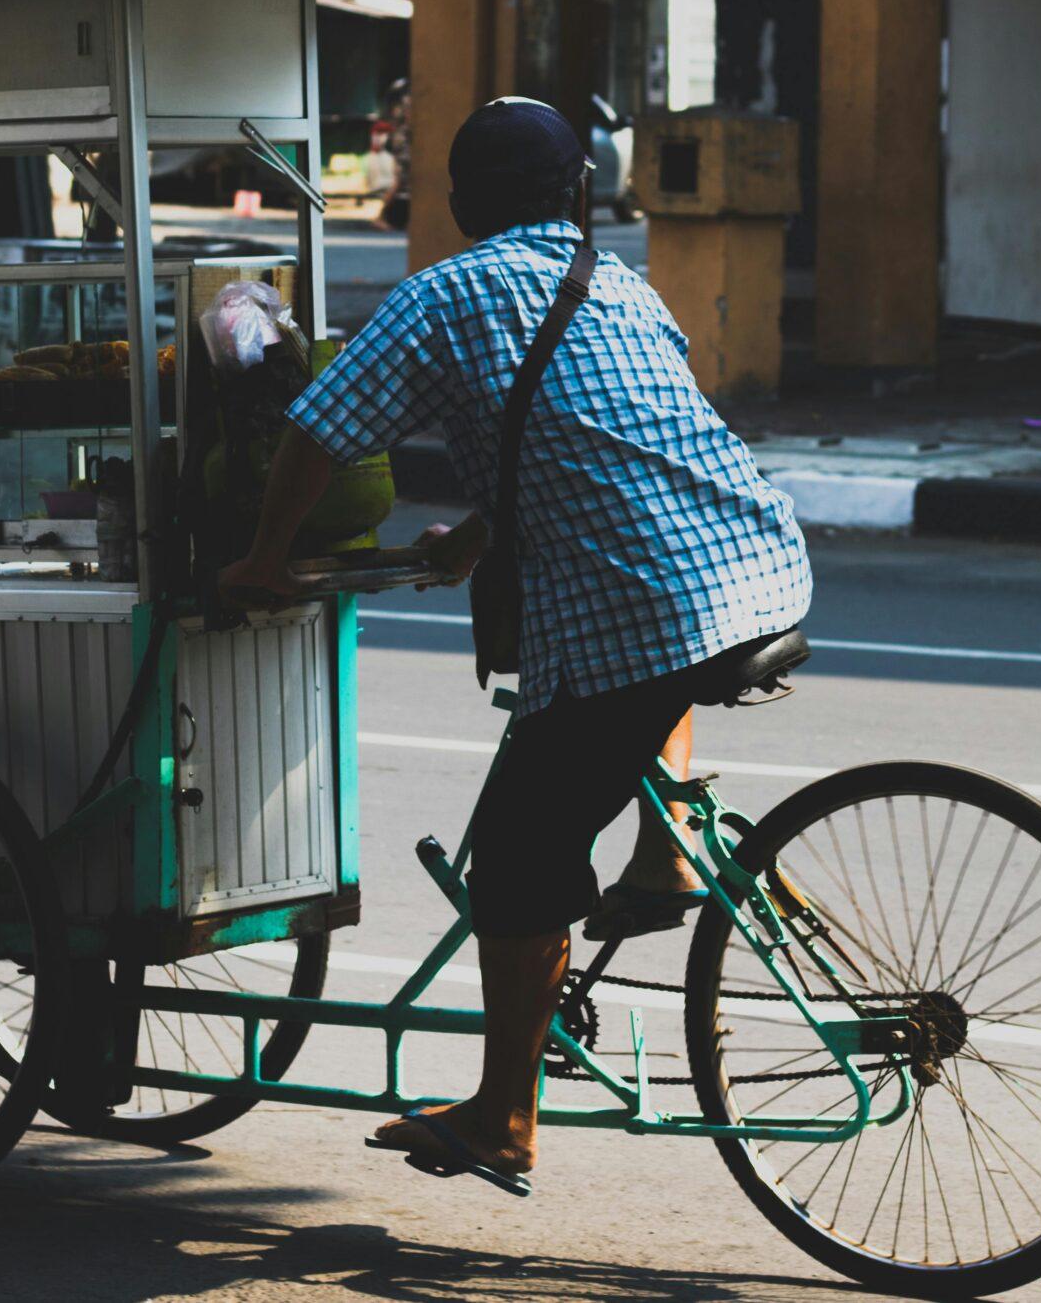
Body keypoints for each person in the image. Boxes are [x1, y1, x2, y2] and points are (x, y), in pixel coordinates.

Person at [217, 96, 812, 1195]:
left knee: (520, 863)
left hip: (646, 602)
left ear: (455, 205)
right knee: (639, 653)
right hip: (757, 561)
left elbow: (316, 427)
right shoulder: (623, 282)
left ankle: (503, 1115)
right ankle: (665, 848)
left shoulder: (443, 292)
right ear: (580, 194)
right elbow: (597, 435)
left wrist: (262, 560)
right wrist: (479, 536)